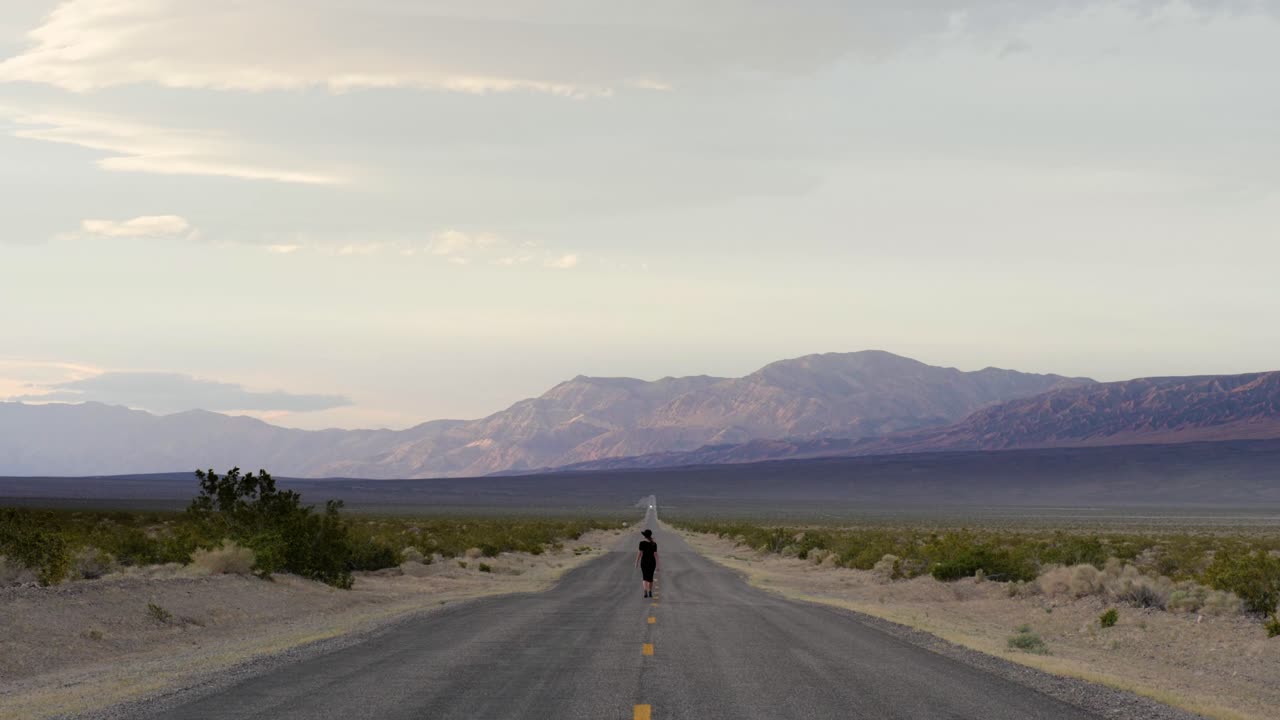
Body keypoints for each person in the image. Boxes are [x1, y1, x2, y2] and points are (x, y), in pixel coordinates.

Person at [636, 529, 659, 598]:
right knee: (650, 578)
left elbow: (639, 553)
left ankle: (645, 591)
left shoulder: (641, 543)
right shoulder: (654, 544)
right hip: (652, 562)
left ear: (645, 536)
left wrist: (636, 562)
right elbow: (656, 555)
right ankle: (650, 592)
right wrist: (658, 565)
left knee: (645, 578)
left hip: (644, 562)